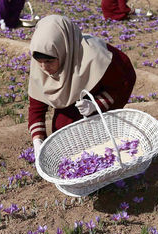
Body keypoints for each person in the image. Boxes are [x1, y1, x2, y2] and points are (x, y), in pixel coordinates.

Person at [27, 15, 136, 156]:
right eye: (39, 61)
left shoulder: (97, 57)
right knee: (62, 130)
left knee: (98, 133)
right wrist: (38, 141)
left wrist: (96, 105)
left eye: (49, 61)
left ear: (64, 51)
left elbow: (120, 85)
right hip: (74, 93)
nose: (44, 67)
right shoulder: (41, 60)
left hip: (107, 84)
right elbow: (36, 107)